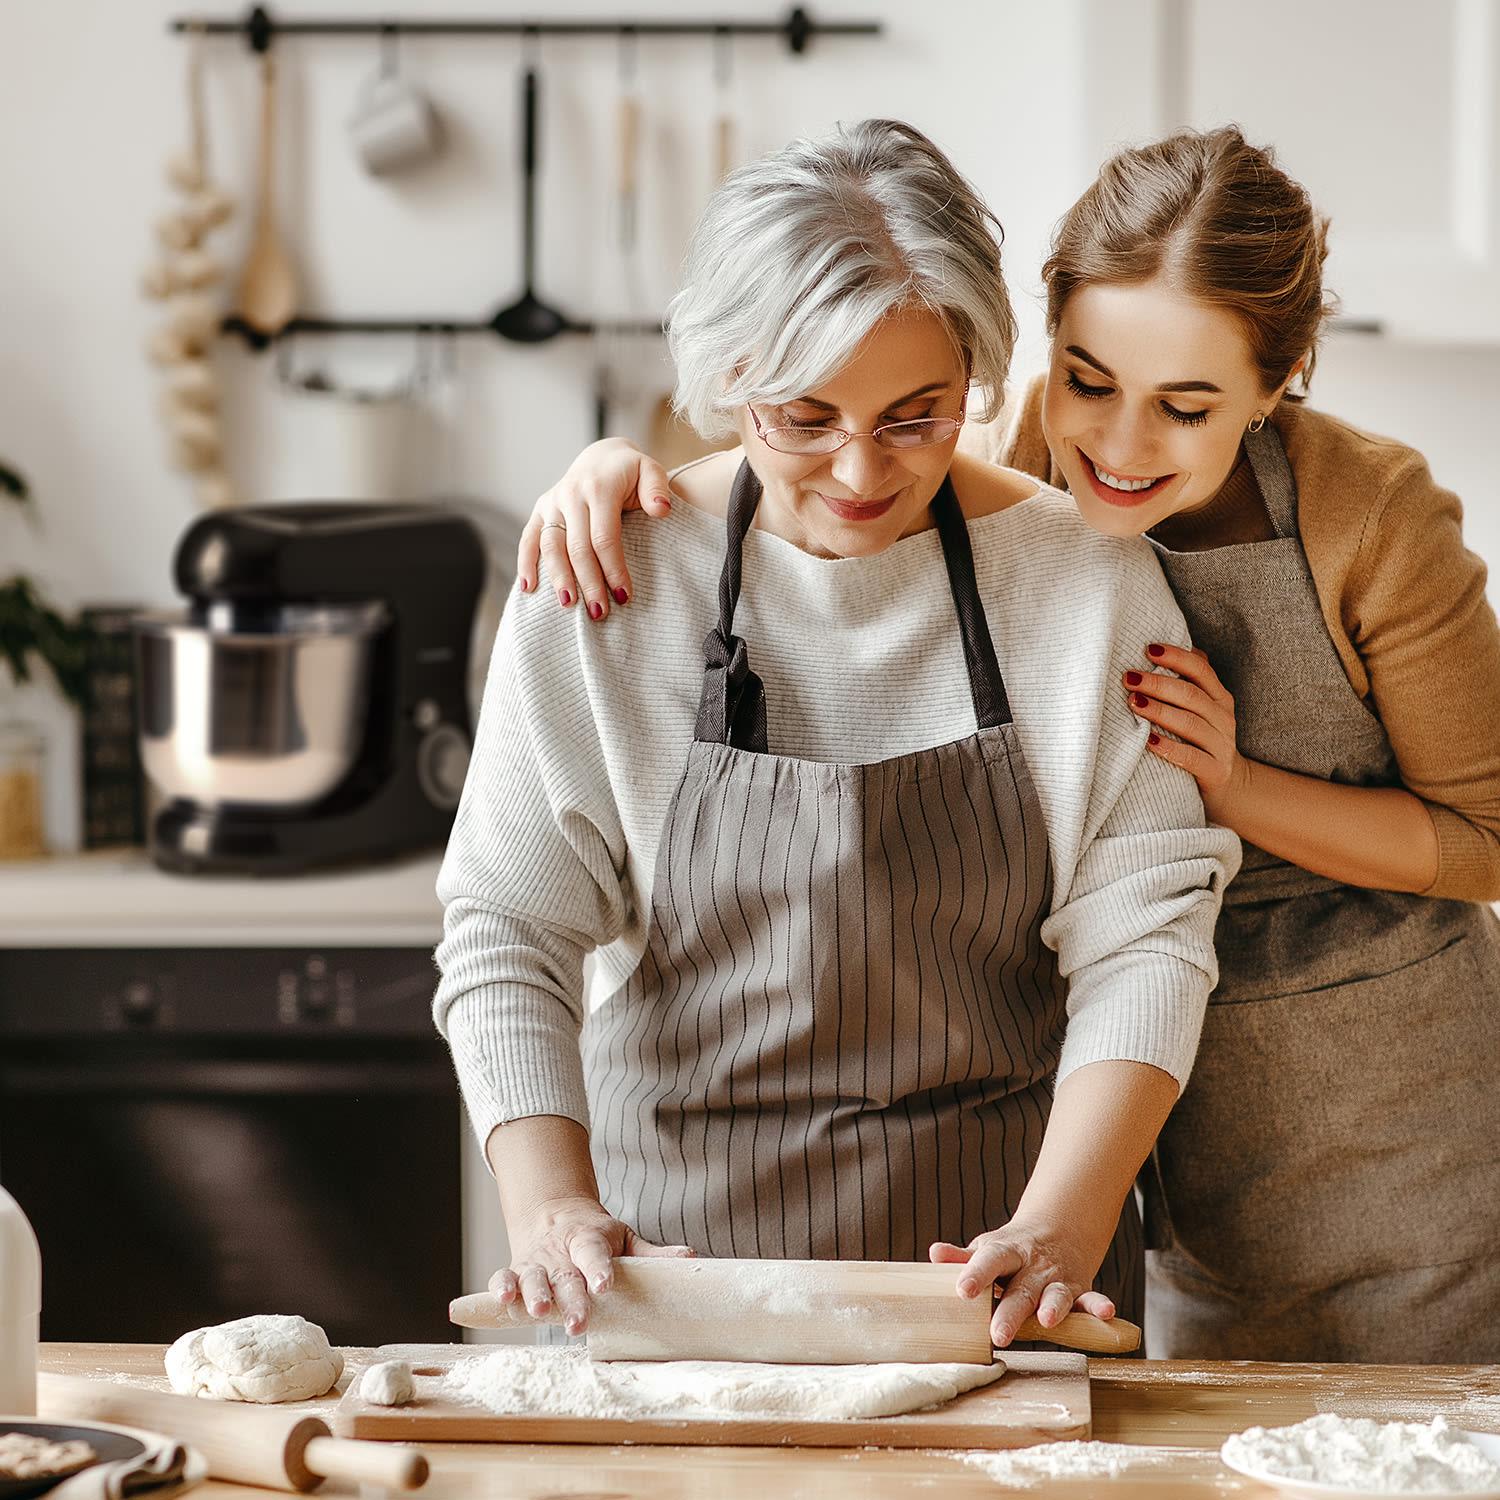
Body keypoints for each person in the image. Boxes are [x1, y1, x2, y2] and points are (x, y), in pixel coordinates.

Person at [517, 125, 1500, 1364]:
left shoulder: (1364, 520)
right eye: (1088, 380)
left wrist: (1234, 786)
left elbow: (1482, 841)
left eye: (1186, 408)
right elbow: (838, 449)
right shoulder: (1023, 470)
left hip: (1390, 1114)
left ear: (1281, 380)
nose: (1122, 447)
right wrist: (618, 475)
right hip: (1165, 1134)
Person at [435, 119, 1238, 1349]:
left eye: (919, 417)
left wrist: (1064, 1229)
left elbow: (1148, 936)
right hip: (671, 1290)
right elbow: (507, 925)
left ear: (976, 372)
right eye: (803, 419)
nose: (862, 472)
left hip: (1002, 1288)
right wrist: (550, 1210)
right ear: (727, 380)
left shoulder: (1083, 583)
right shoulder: (606, 581)